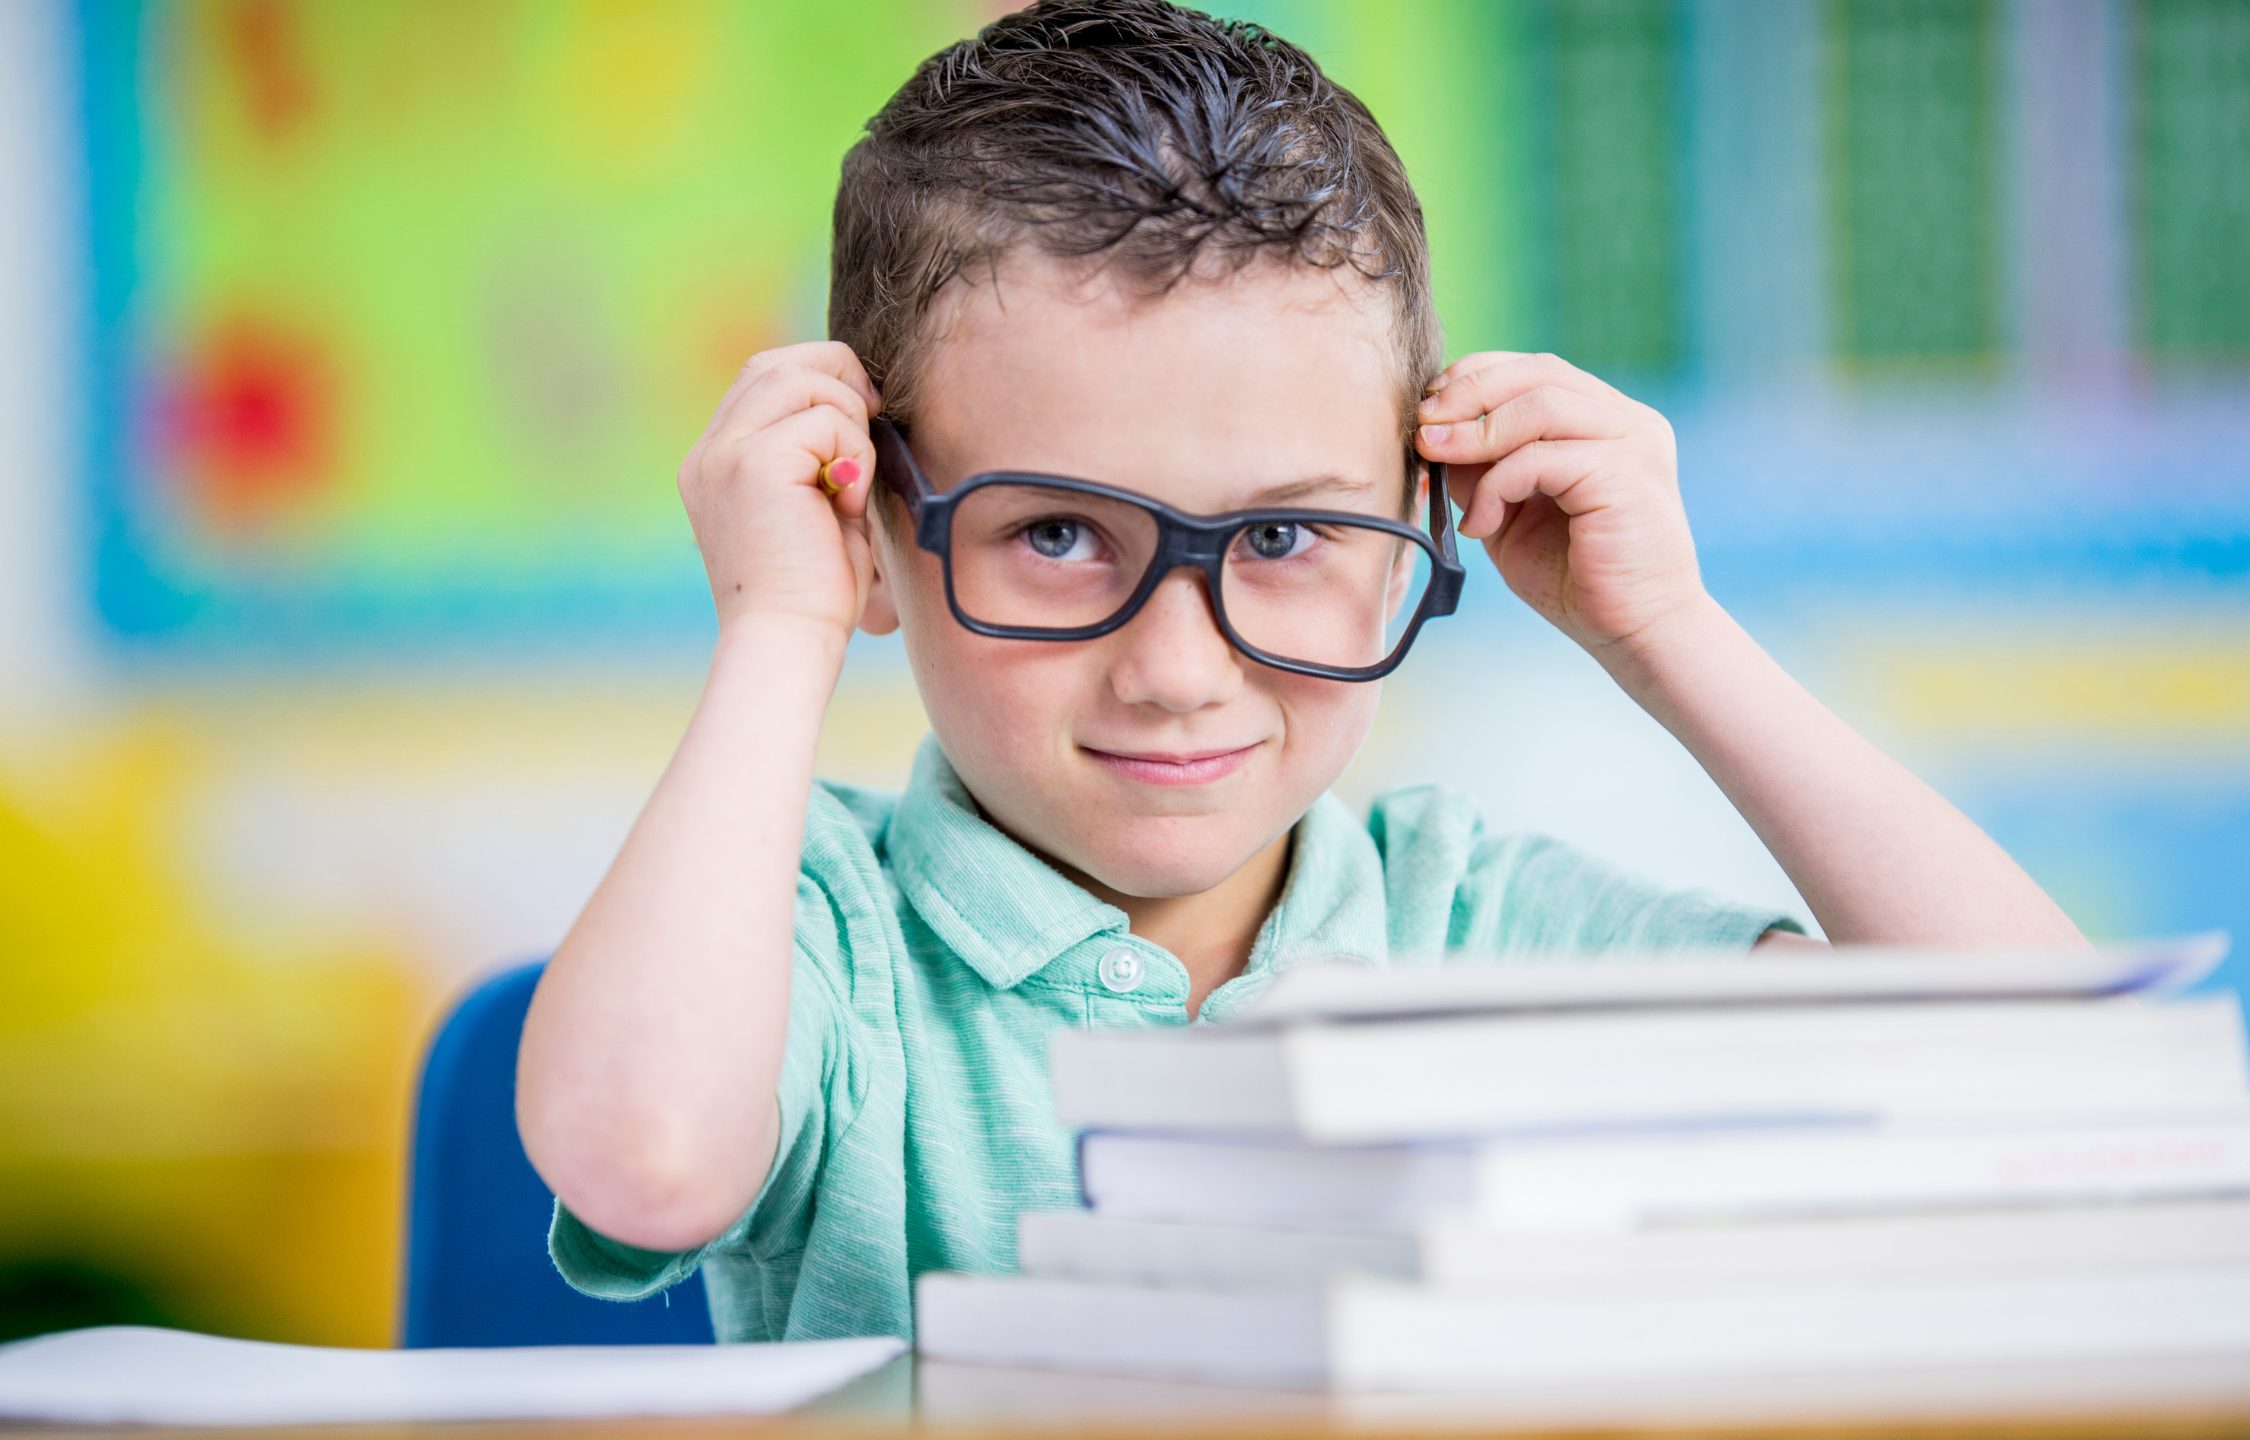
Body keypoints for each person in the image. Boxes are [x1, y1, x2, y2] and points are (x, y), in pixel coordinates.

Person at [514, 0, 2087, 1344]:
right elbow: (648, 1161)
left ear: (1423, 510)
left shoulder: (1479, 934)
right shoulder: (809, 944)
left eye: (1280, 533)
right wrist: (779, 621)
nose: (1177, 671)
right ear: (872, 522)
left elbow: (2046, 1099)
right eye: (1056, 533)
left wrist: (1664, 630)